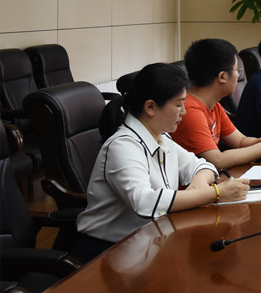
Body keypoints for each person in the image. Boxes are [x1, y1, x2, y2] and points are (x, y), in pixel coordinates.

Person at [74, 63, 249, 262]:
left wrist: (198, 185)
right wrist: (215, 193)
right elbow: (144, 202)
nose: (184, 112)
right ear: (150, 107)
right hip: (107, 253)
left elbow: (203, 165)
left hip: (151, 241)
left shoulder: (162, 138)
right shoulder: (122, 146)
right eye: (179, 105)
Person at [172, 38, 261, 169]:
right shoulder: (190, 110)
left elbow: (240, 141)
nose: (238, 76)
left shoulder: (214, 105)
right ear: (222, 77)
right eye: (237, 70)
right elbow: (217, 160)